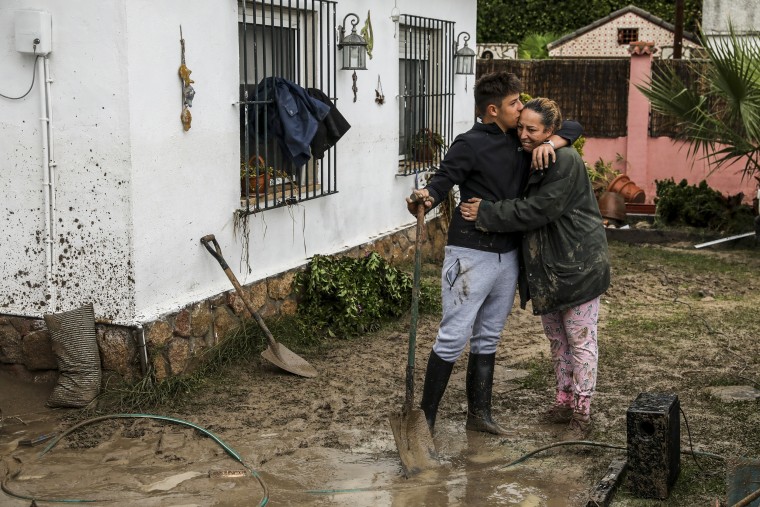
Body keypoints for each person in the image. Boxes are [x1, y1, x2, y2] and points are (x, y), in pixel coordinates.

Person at [406, 73, 583, 435]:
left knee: (488, 336)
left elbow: (574, 124)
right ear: (493, 109)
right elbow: (443, 179)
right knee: (454, 336)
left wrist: (557, 140)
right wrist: (426, 196)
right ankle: (424, 423)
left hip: (508, 254)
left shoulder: (522, 140)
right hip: (471, 254)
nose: (521, 109)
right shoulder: (469, 144)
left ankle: (479, 416)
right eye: (515, 103)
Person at [460, 97, 610, 436]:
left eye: (533, 130)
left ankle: (582, 414)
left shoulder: (565, 159)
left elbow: (540, 209)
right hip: (549, 270)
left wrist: (486, 213)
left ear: (550, 131)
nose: (524, 135)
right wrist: (552, 139)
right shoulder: (531, 151)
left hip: (578, 266)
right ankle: (563, 400)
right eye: (522, 127)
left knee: (580, 341)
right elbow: (571, 127)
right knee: (558, 341)